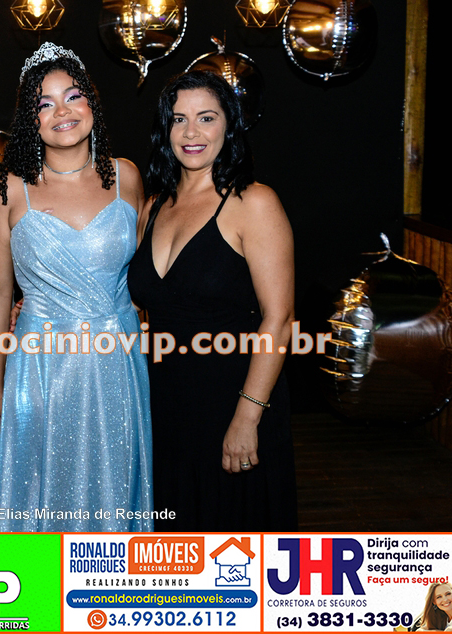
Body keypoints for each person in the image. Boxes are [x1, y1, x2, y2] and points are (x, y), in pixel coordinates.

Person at [0, 42, 153, 531]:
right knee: (44, 499)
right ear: (29, 120)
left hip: (118, 362)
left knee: (114, 495)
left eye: (73, 96)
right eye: (45, 103)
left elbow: (143, 277)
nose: (62, 111)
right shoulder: (8, 189)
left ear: (91, 104)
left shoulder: (127, 177)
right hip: (41, 368)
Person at [127, 70, 298, 531]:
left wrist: (247, 415)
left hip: (233, 399)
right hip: (165, 406)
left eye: (206, 118)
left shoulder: (253, 203)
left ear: (229, 124)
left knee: (233, 543)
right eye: (179, 119)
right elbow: (140, 311)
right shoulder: (153, 206)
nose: (191, 132)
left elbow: (279, 319)